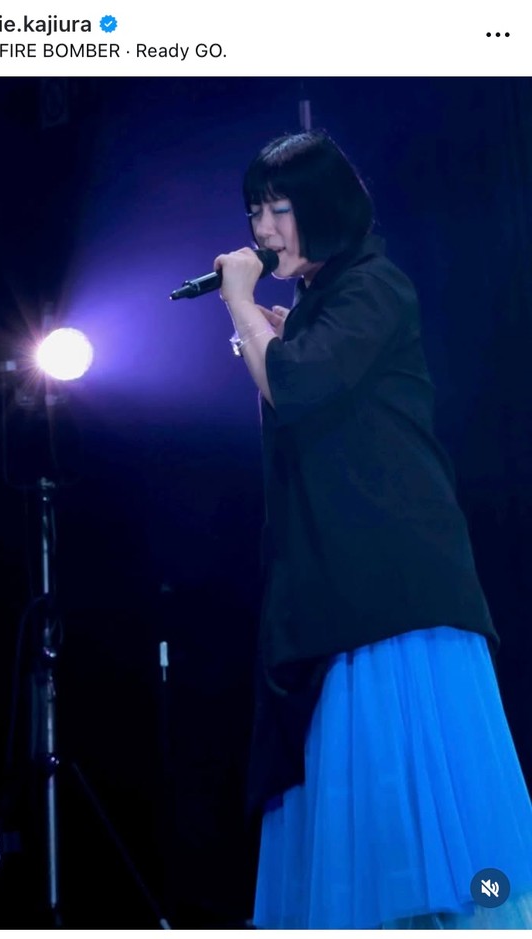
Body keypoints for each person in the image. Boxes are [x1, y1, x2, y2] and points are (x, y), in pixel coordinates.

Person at [213, 130, 532, 929]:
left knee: (426, 798)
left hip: (394, 585)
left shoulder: (372, 286)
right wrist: (272, 330)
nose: (263, 229)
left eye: (279, 208)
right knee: (368, 798)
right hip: (337, 584)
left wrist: (244, 308)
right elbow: (297, 392)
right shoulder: (322, 302)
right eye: (255, 211)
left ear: (324, 207)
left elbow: (295, 387)